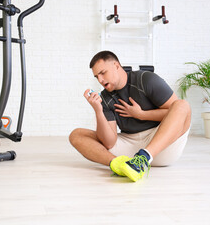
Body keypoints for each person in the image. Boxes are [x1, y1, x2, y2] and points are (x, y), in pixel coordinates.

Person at [69, 51, 191, 182]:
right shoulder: (104, 98)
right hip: (130, 145)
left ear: (116, 66)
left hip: (161, 144)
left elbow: (176, 113)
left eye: (103, 73)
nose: (100, 80)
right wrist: (98, 111)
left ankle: (144, 158)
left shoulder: (146, 79)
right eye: (96, 77)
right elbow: (109, 142)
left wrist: (141, 115)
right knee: (76, 135)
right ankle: (121, 165)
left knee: (182, 105)